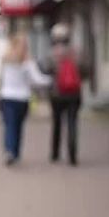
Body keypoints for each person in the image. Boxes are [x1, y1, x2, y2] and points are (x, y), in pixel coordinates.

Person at [0, 33, 51, 166]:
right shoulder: (28, 62)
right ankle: (15, 152)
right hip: (22, 99)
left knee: (9, 126)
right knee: (18, 126)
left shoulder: (5, 60)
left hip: (7, 97)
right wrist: (52, 80)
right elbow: (37, 80)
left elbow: (0, 80)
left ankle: (9, 151)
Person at [41, 23, 87, 166]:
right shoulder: (76, 52)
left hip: (56, 94)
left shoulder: (51, 53)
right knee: (72, 122)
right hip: (74, 93)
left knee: (57, 123)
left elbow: (45, 70)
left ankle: (55, 153)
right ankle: (72, 154)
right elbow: (85, 70)